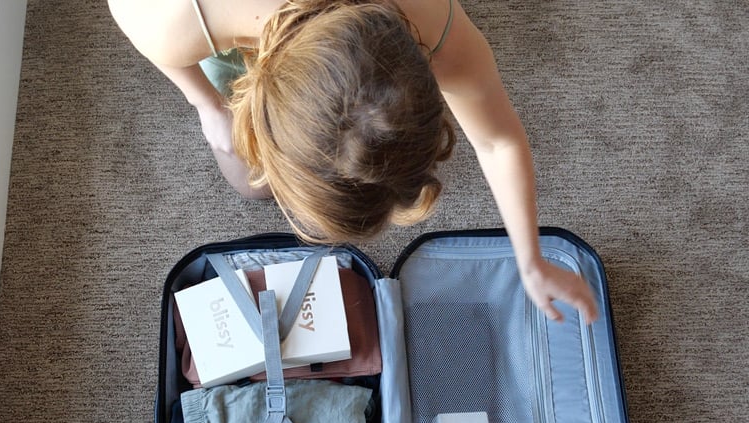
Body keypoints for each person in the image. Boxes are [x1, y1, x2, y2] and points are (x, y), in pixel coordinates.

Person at [108, 0, 598, 324]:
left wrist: (530, 259)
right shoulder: (171, 17)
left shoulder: (433, 22)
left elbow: (497, 141)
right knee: (249, 182)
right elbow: (151, 38)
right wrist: (207, 105)